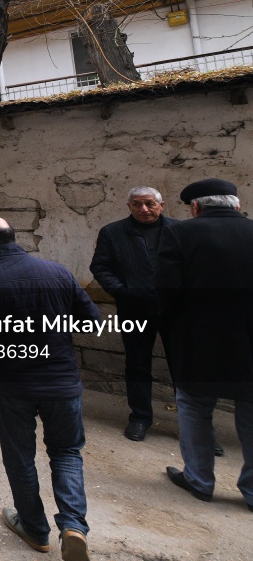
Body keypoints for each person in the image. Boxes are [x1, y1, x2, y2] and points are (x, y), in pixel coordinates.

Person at [0, 216, 99, 561]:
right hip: (61, 381)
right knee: (66, 452)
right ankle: (73, 526)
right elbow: (91, 320)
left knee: (19, 455)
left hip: (12, 383)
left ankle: (35, 530)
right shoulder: (58, 272)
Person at [157, 178, 253, 511]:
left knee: (195, 408)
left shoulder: (180, 234)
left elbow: (167, 292)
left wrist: (172, 327)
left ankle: (199, 480)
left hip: (200, 341)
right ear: (237, 205)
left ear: (195, 207)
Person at [89, 186, 179, 442]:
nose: (144, 209)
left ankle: (195, 423)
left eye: (150, 203)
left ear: (161, 205)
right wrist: (123, 292)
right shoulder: (113, 232)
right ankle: (140, 417)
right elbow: (100, 266)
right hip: (134, 309)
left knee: (183, 366)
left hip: (175, 310)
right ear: (128, 206)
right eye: (137, 204)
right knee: (138, 364)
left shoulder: (179, 230)